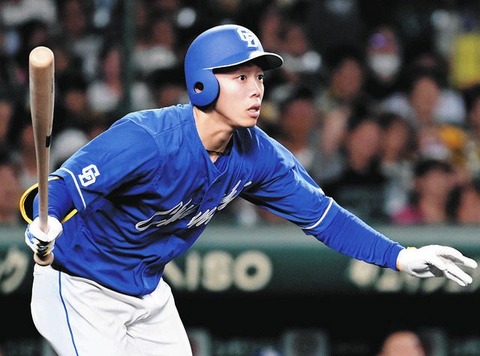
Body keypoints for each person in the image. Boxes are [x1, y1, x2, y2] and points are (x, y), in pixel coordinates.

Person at [19, 24, 477, 356]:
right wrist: (47, 221)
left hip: (148, 294)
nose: (256, 88)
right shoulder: (148, 138)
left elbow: (325, 217)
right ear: (201, 83)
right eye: (240, 77)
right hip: (80, 286)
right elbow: (53, 190)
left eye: (259, 77)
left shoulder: (260, 155)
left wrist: (401, 256)